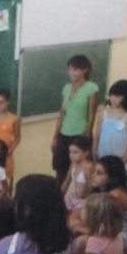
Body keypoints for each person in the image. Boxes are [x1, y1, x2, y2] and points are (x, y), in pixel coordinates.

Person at [52, 55, 99, 185]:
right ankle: (59, 194)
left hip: (80, 135)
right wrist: (56, 136)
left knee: (82, 170)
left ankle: (83, 194)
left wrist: (86, 135)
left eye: (75, 70)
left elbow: (92, 115)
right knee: (60, 169)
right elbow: (62, 114)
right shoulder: (66, 88)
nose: (72, 73)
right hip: (64, 134)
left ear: (85, 70)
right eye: (70, 69)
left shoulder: (91, 88)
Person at [93, 79, 127, 173]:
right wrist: (94, 156)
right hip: (103, 158)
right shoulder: (103, 114)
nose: (113, 99)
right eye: (111, 95)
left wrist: (123, 161)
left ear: (126, 97)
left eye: (118, 96)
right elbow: (96, 137)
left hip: (121, 161)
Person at [61, 136, 94, 212]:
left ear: (86, 152)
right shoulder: (73, 165)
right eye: (70, 152)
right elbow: (67, 181)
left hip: (84, 200)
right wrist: (59, 195)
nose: (71, 155)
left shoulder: (88, 167)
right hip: (73, 197)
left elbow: (92, 187)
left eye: (75, 152)